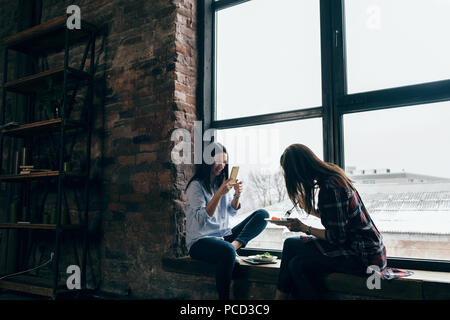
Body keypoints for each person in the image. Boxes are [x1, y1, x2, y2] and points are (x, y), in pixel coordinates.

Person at [275, 144, 387, 300]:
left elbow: (336, 237)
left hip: (362, 256)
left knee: (291, 247)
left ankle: (278, 298)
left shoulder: (330, 187)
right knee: (296, 264)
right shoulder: (333, 178)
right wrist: (311, 210)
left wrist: (303, 227)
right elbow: (338, 220)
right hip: (367, 250)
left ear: (299, 171)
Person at [185, 142, 269, 300]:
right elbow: (202, 218)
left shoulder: (221, 182)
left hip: (222, 237)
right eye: (218, 161)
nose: (222, 166)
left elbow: (232, 211)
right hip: (199, 242)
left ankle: (233, 246)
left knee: (262, 215)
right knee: (227, 251)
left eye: (224, 161)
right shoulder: (196, 186)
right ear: (207, 161)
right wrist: (219, 194)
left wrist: (236, 195)